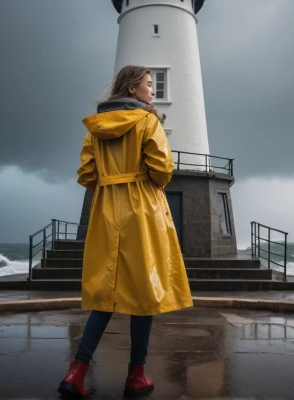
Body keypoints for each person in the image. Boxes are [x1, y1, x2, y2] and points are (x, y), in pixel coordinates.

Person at [58, 65, 193, 398]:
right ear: (132, 89)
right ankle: (136, 376)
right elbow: (161, 169)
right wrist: (147, 183)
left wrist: (108, 184)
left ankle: (76, 373)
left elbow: (87, 173)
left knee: (106, 291)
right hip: (142, 210)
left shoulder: (95, 128)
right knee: (144, 293)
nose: (153, 90)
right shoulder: (148, 121)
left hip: (106, 210)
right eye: (149, 85)